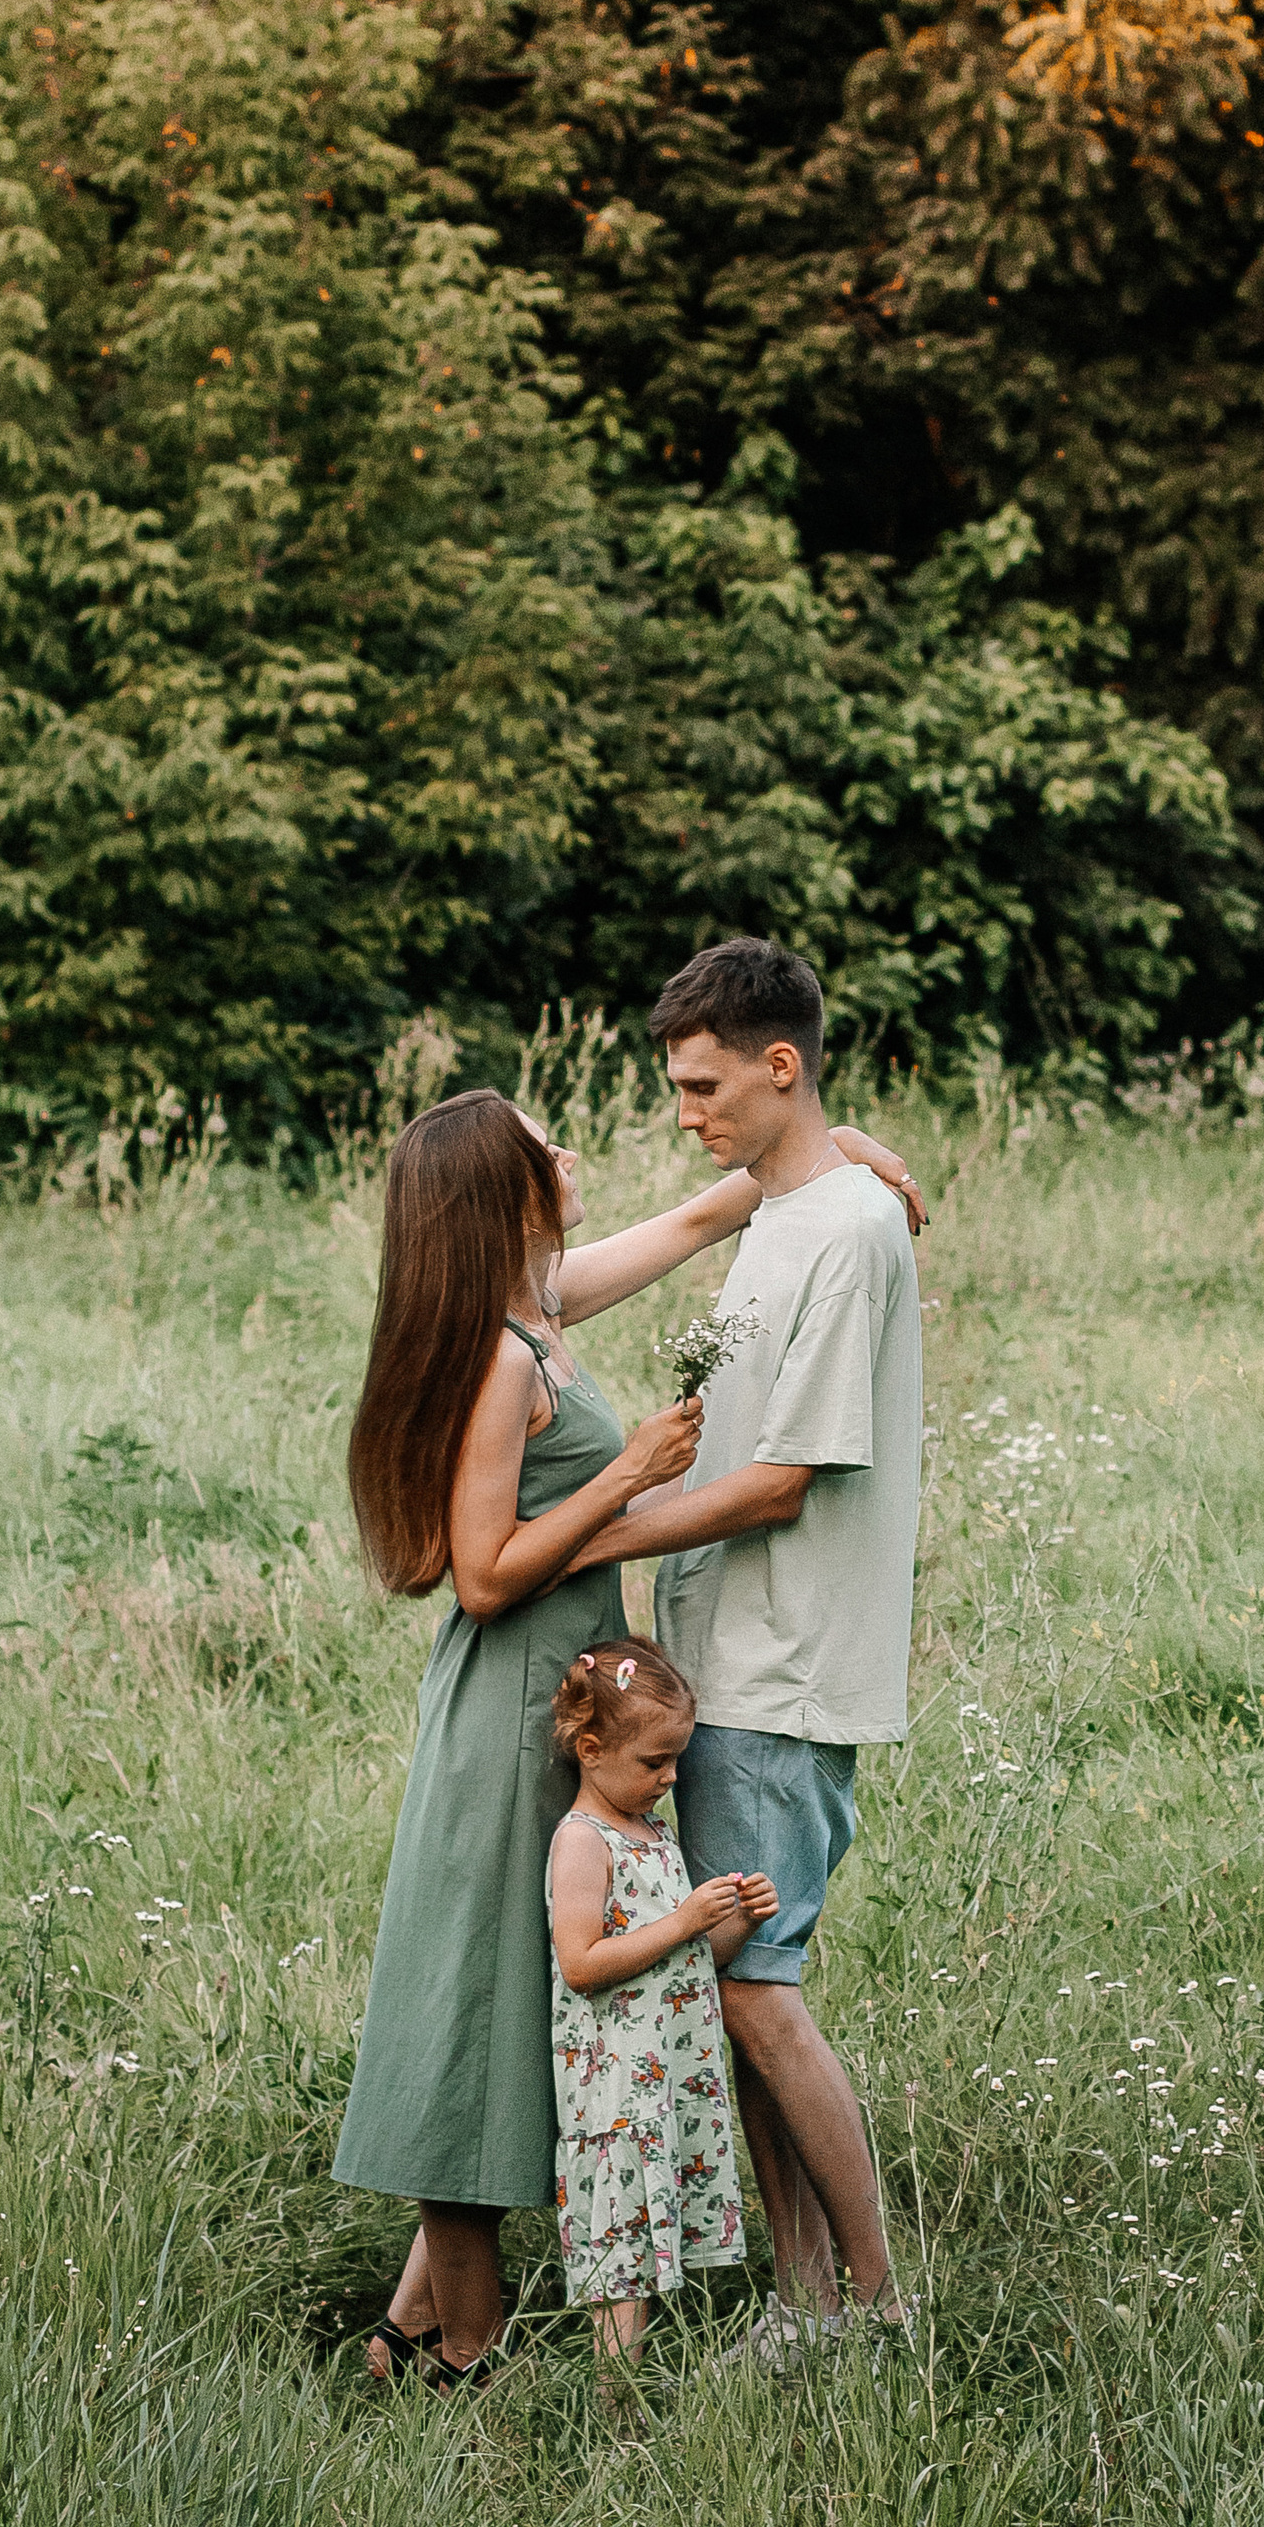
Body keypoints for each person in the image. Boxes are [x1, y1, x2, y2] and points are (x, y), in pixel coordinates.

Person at [333, 1081, 921, 2391]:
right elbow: (483, 1577)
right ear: (506, 1193)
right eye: (547, 1143)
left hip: (564, 1706)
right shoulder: (499, 1358)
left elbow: (708, 1210)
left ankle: (404, 2332)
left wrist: (843, 1159)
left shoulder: (541, 1305)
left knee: (508, 1997)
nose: (571, 1145)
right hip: (510, 1706)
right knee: (486, 2007)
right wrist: (633, 1470)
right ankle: (453, 2356)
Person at [570, 939, 922, 2356]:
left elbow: (789, 1477)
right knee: (734, 1987)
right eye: (675, 1086)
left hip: (787, 1670)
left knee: (760, 1993)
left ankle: (883, 2306)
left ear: (784, 1065)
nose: (685, 1110)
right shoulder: (782, 1213)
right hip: (727, 1664)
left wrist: (597, 1532)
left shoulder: (844, 1231)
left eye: (705, 1084)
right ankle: (804, 2302)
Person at [544, 1637, 779, 2363]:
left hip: (666, 2078)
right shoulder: (584, 1842)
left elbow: (690, 1964)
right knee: (621, 2254)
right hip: (614, 2088)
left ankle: (642, 2391)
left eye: (676, 1759)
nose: (671, 1777)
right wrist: (682, 1920)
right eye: (655, 1762)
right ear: (590, 1748)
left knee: (648, 2239)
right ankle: (619, 2417)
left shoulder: (654, 1834)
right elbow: (581, 1963)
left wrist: (735, 1919)